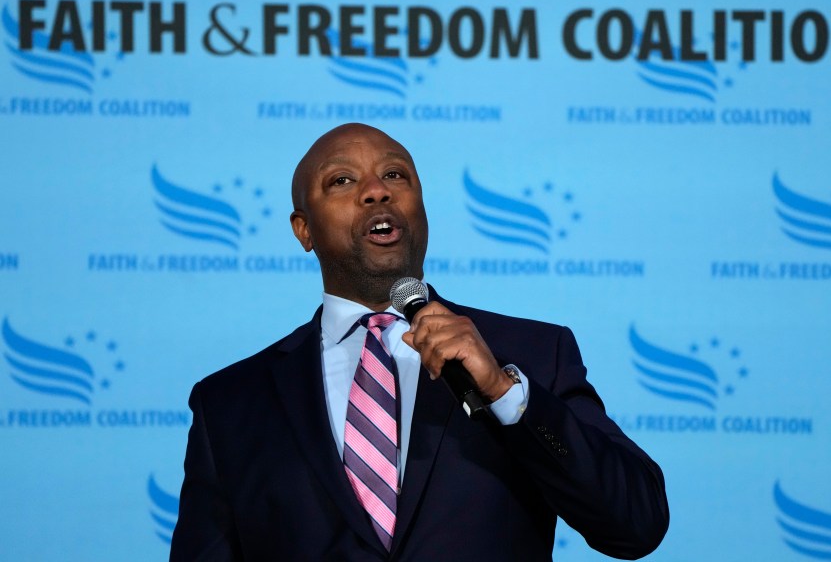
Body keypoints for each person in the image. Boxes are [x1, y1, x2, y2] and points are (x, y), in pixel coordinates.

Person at [170, 123, 669, 561]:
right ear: (304, 230)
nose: (376, 192)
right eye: (342, 181)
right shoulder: (230, 403)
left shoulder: (533, 353)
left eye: (396, 175)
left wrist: (504, 393)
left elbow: (636, 524)